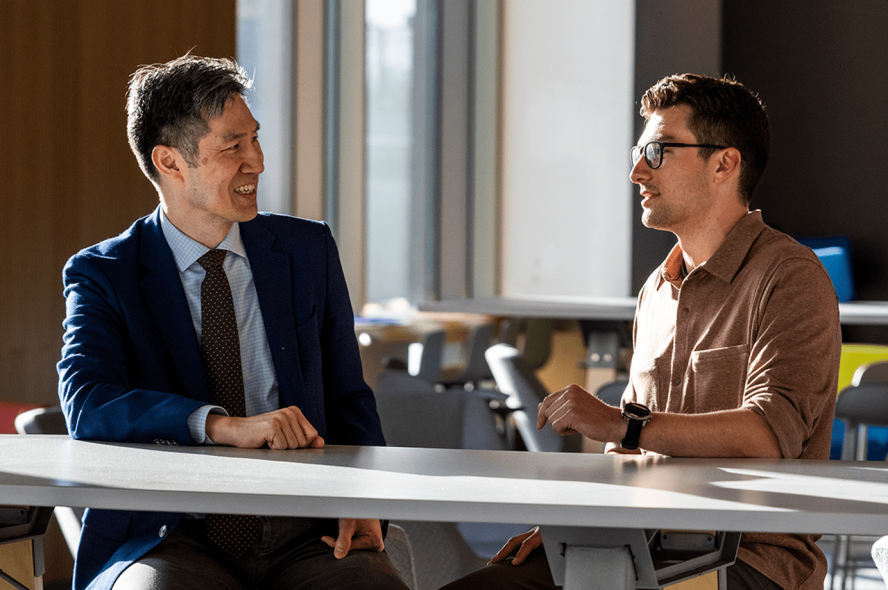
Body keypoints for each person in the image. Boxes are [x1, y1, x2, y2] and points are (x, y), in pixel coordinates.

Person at [441, 74, 840, 590]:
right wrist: (573, 525)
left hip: (743, 562)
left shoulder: (790, 277)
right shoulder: (657, 289)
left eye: (657, 151)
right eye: (638, 151)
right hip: (635, 543)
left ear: (724, 163)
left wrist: (623, 424)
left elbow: (766, 436)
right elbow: (625, 456)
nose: (636, 172)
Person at [57, 55, 409, 590]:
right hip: (170, 534)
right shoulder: (105, 273)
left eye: (256, 140)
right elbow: (88, 400)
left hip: (307, 531)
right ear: (171, 163)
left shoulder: (306, 249)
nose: (258, 162)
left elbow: (347, 397)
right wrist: (219, 425)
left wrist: (361, 500)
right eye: (233, 147)